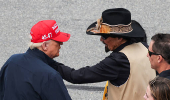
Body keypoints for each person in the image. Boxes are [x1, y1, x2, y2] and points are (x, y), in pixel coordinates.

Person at [52, 8, 156, 100]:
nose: (101, 39)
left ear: (119, 38)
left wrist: (50, 62)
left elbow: (76, 76)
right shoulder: (145, 47)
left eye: (105, 36)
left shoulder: (118, 61)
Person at [0, 20, 72, 100]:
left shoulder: (12, 61)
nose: (61, 44)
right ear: (45, 45)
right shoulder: (50, 76)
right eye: (57, 42)